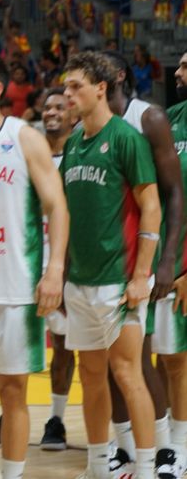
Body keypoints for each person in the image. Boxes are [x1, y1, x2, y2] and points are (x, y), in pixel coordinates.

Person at [0, 52, 69, 479]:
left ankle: (12, 475)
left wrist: (54, 269)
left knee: (13, 391)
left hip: (15, 287)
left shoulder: (23, 137)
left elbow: (57, 206)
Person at [61, 51, 161, 479]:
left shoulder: (125, 138)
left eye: (75, 86)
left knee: (128, 372)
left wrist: (142, 275)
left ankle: (147, 468)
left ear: (100, 88)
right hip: (80, 280)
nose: (67, 94)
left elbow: (151, 206)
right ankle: (98, 465)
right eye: (65, 87)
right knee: (91, 374)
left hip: (119, 280)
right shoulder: (71, 143)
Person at [103, 49, 184, 477]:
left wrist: (167, 260)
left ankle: (167, 449)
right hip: (105, 263)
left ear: (113, 77)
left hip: (145, 259)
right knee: (109, 362)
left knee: (146, 358)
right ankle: (123, 448)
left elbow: (172, 193)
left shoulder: (148, 118)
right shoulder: (88, 128)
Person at [39, 88, 78, 452]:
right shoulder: (30, 153)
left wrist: (63, 267)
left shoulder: (78, 153)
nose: (51, 111)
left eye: (59, 106)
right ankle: (10, 415)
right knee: (20, 343)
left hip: (64, 262)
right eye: (46, 106)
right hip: (26, 259)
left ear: (73, 114)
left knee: (64, 346)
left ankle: (57, 419)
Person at [165, 50, 187, 464]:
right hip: (174, 258)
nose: (178, 73)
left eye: (186, 65)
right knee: (174, 358)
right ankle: (178, 448)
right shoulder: (171, 118)